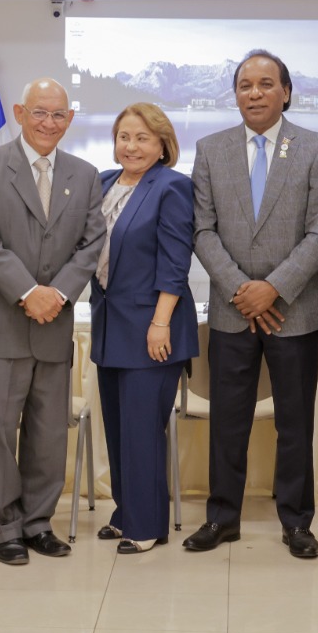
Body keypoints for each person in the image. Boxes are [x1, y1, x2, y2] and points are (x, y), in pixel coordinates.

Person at [184, 50, 318, 559]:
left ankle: (297, 522)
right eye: (245, 85)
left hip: (292, 310)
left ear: (286, 92)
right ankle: (222, 518)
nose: (254, 93)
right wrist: (241, 290)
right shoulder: (210, 149)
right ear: (236, 94)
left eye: (266, 83)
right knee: (229, 420)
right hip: (232, 310)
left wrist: (273, 287)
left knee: (294, 422)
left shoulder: (317, 148)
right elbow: (202, 230)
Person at [0, 77, 104, 565]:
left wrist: (58, 294)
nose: (49, 123)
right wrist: (28, 292)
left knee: (48, 432)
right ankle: (3, 528)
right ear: (19, 113)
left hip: (54, 324)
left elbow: (91, 243)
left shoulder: (84, 174)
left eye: (58, 115)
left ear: (69, 120)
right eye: (39, 113)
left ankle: (39, 522)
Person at [89, 104, 199, 554]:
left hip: (153, 326)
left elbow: (175, 263)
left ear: (162, 145)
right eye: (123, 137)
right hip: (109, 324)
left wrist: (160, 323)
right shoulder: (102, 183)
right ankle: (125, 511)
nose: (130, 147)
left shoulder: (172, 186)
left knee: (142, 428)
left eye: (142, 138)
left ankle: (147, 525)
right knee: (117, 428)